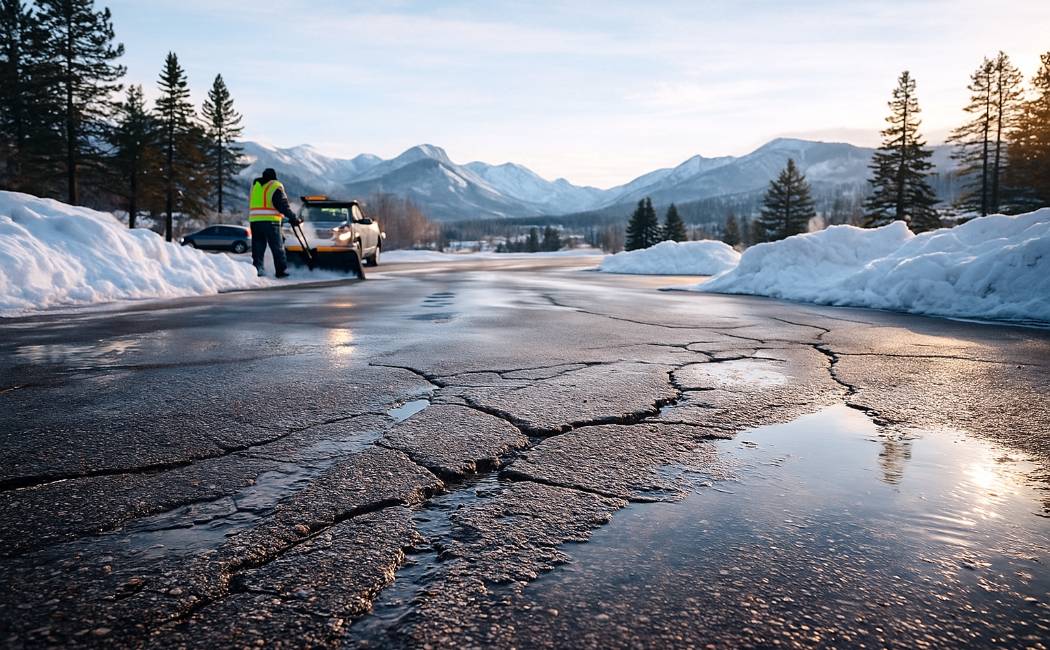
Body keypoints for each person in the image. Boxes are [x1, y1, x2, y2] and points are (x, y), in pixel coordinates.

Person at [248, 168, 300, 278]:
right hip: (271, 222)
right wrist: (293, 217)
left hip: (255, 221)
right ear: (274, 177)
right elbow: (282, 206)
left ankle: (258, 270)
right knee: (277, 247)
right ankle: (281, 272)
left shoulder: (256, 186)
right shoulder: (275, 186)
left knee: (258, 248)